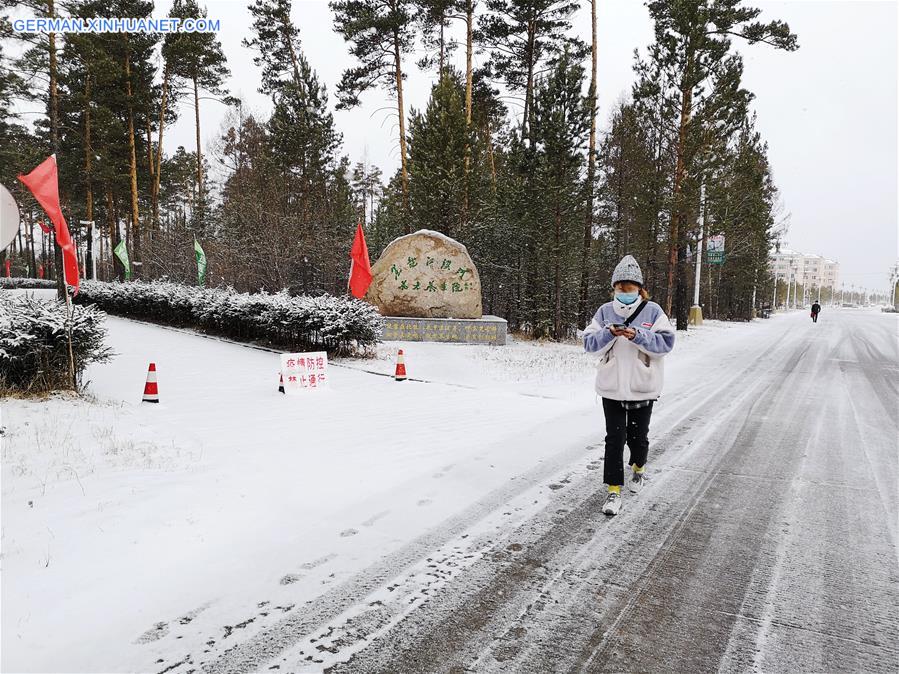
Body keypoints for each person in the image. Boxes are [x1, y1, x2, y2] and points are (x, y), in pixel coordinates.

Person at [582, 255, 675, 516]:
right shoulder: (604, 312)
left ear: (639, 289)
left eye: (629, 289)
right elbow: (589, 345)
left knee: (638, 438)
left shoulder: (653, 311)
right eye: (620, 289)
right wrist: (608, 333)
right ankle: (613, 491)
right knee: (614, 439)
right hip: (611, 387)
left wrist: (638, 335)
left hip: (642, 386)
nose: (624, 293)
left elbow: (666, 344)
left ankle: (639, 467)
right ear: (614, 289)